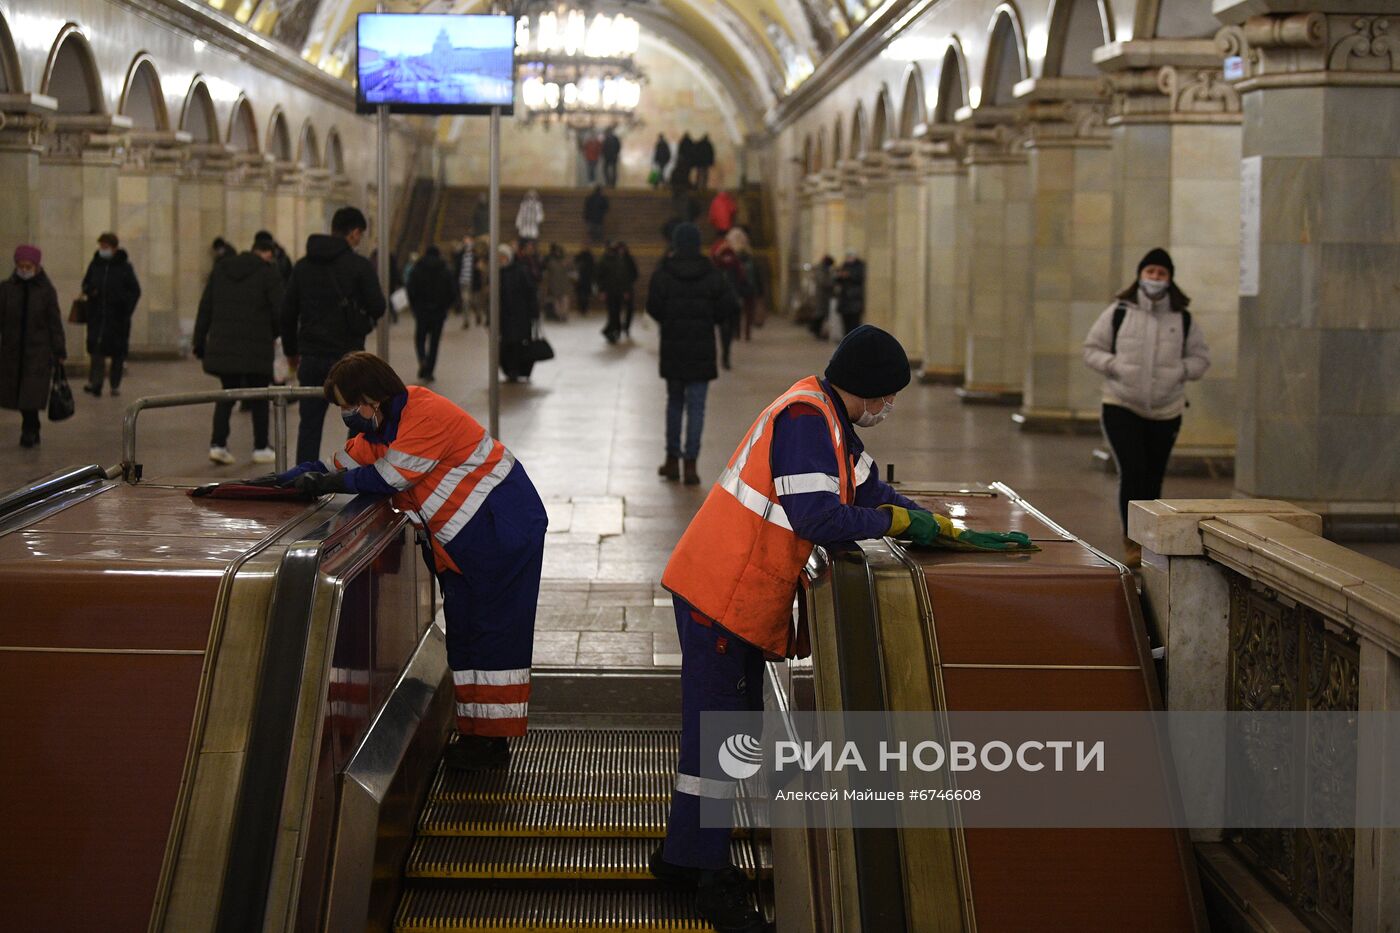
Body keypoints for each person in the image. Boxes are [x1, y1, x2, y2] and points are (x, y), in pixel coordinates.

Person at [651, 325, 1027, 932]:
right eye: (888, 396)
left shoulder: (828, 418)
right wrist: (893, 520)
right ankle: (709, 878)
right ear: (869, 390)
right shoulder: (805, 419)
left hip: (733, 593)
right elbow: (819, 515)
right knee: (719, 741)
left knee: (727, 732)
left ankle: (681, 856)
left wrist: (936, 525)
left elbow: (870, 486)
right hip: (721, 593)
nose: (890, 407)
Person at [273, 352, 547, 770]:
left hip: (500, 533)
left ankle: (492, 744)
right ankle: (478, 734)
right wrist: (284, 481)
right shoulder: (381, 430)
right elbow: (338, 464)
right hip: (467, 544)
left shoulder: (424, 413)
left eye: (349, 405)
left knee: (494, 638)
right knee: (468, 636)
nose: (347, 415)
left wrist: (327, 481)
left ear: (371, 398)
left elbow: (388, 478)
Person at [1083, 247, 1210, 567]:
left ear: (1169, 279)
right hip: (1121, 404)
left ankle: (1149, 539)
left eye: (1161, 273)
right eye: (1150, 271)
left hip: (1166, 410)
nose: (1155, 278)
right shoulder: (1119, 311)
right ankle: (1132, 541)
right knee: (1134, 471)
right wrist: (1114, 365)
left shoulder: (1182, 318)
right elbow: (1091, 349)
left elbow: (1200, 359)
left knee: (1153, 479)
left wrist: (1181, 371)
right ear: (1140, 275)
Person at [281, 206, 387, 465]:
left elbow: (287, 312)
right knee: (358, 421)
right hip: (349, 359)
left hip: (312, 355)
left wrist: (291, 352)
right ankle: (352, 472)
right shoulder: (359, 266)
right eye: (359, 235)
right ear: (353, 233)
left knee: (310, 423)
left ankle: (305, 478)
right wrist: (360, 319)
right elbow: (378, 306)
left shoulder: (302, 267)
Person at [646, 223, 738, 486]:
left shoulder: (664, 272)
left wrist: (670, 319)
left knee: (675, 404)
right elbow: (727, 307)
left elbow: (653, 307)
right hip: (701, 350)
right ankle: (691, 465)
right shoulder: (711, 273)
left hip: (674, 348)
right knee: (697, 408)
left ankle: (672, 459)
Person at [194, 233, 285, 465]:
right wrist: (275, 334)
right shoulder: (268, 273)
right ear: (267, 254)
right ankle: (261, 446)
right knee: (259, 396)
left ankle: (218, 445)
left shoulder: (221, 269)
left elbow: (205, 307)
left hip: (224, 344)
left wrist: (199, 341)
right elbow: (279, 311)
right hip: (257, 344)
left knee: (227, 394)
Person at [0, 245, 65, 448]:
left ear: (36, 266)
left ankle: (30, 429)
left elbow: (54, 322)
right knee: (17, 392)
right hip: (12, 350)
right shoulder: (7, 289)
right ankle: (30, 423)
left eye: (28, 266)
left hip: (37, 351)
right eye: (21, 266)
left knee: (31, 393)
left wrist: (59, 350)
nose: (24, 269)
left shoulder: (46, 291)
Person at [80, 232, 141, 398]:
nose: (102, 249)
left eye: (105, 246)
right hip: (98, 316)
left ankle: (115, 384)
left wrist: (125, 308)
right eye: (101, 246)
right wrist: (90, 291)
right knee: (97, 351)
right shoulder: (95, 264)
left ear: (114, 248)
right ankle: (96, 384)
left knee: (117, 353)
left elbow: (135, 290)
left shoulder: (124, 267)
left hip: (118, 318)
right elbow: (85, 283)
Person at [407, 245, 456, 382]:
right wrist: (445, 307)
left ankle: (422, 358)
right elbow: (452, 292)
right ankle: (429, 370)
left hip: (421, 311)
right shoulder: (445, 269)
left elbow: (410, 289)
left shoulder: (417, 268)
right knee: (434, 342)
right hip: (438, 313)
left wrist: (415, 307)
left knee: (420, 339)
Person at [497, 244, 539, 383]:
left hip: (521, 316)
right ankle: (510, 370)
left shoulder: (521, 271)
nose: (501, 260)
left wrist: (534, 313)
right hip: (505, 317)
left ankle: (516, 370)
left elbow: (531, 292)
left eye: (503, 257)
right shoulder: (498, 273)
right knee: (507, 344)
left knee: (518, 344)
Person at [709, 237, 746, 369]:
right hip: (726, 300)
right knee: (726, 331)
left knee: (725, 330)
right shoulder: (730, 261)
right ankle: (725, 355)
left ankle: (725, 355)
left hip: (725, 300)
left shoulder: (729, 261)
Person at [726, 227, 762, 340]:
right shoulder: (749, 255)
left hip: (736, 287)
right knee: (748, 310)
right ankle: (747, 333)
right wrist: (761, 292)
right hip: (749, 287)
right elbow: (756, 275)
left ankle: (737, 333)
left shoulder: (729, 256)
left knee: (735, 311)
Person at [598, 241, 638, 344]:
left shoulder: (621, 261)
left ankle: (615, 331)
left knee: (617, 311)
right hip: (610, 291)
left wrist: (626, 290)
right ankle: (612, 331)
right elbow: (599, 277)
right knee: (613, 312)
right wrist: (601, 291)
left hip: (619, 291)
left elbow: (625, 277)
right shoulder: (604, 261)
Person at [834, 251, 866, 338]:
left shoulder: (860, 266)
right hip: (845, 301)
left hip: (855, 300)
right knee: (846, 324)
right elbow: (837, 280)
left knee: (855, 324)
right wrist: (840, 275)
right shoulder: (844, 266)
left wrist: (849, 275)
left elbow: (860, 278)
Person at [543, 243, 573, 321]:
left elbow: (571, 269)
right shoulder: (551, 262)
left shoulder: (564, 262)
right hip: (554, 284)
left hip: (563, 284)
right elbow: (547, 273)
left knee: (564, 300)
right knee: (557, 301)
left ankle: (564, 315)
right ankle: (559, 315)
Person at [810, 255, 836, 338]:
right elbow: (824, 282)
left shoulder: (823, 269)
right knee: (819, 314)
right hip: (821, 296)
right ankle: (815, 330)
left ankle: (817, 330)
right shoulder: (820, 270)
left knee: (821, 314)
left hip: (824, 296)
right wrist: (833, 280)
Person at [453, 234, 475, 323]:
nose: (467, 243)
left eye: (468, 241)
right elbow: (456, 264)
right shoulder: (460, 254)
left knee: (473, 300)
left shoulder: (475, 253)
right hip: (463, 280)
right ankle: (466, 320)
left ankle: (477, 314)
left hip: (473, 281)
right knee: (465, 300)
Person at [573, 247, 596, 315]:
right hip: (586, 281)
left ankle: (581, 309)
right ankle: (584, 309)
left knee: (581, 296)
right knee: (585, 296)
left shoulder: (581, 260)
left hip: (582, 281)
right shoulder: (590, 260)